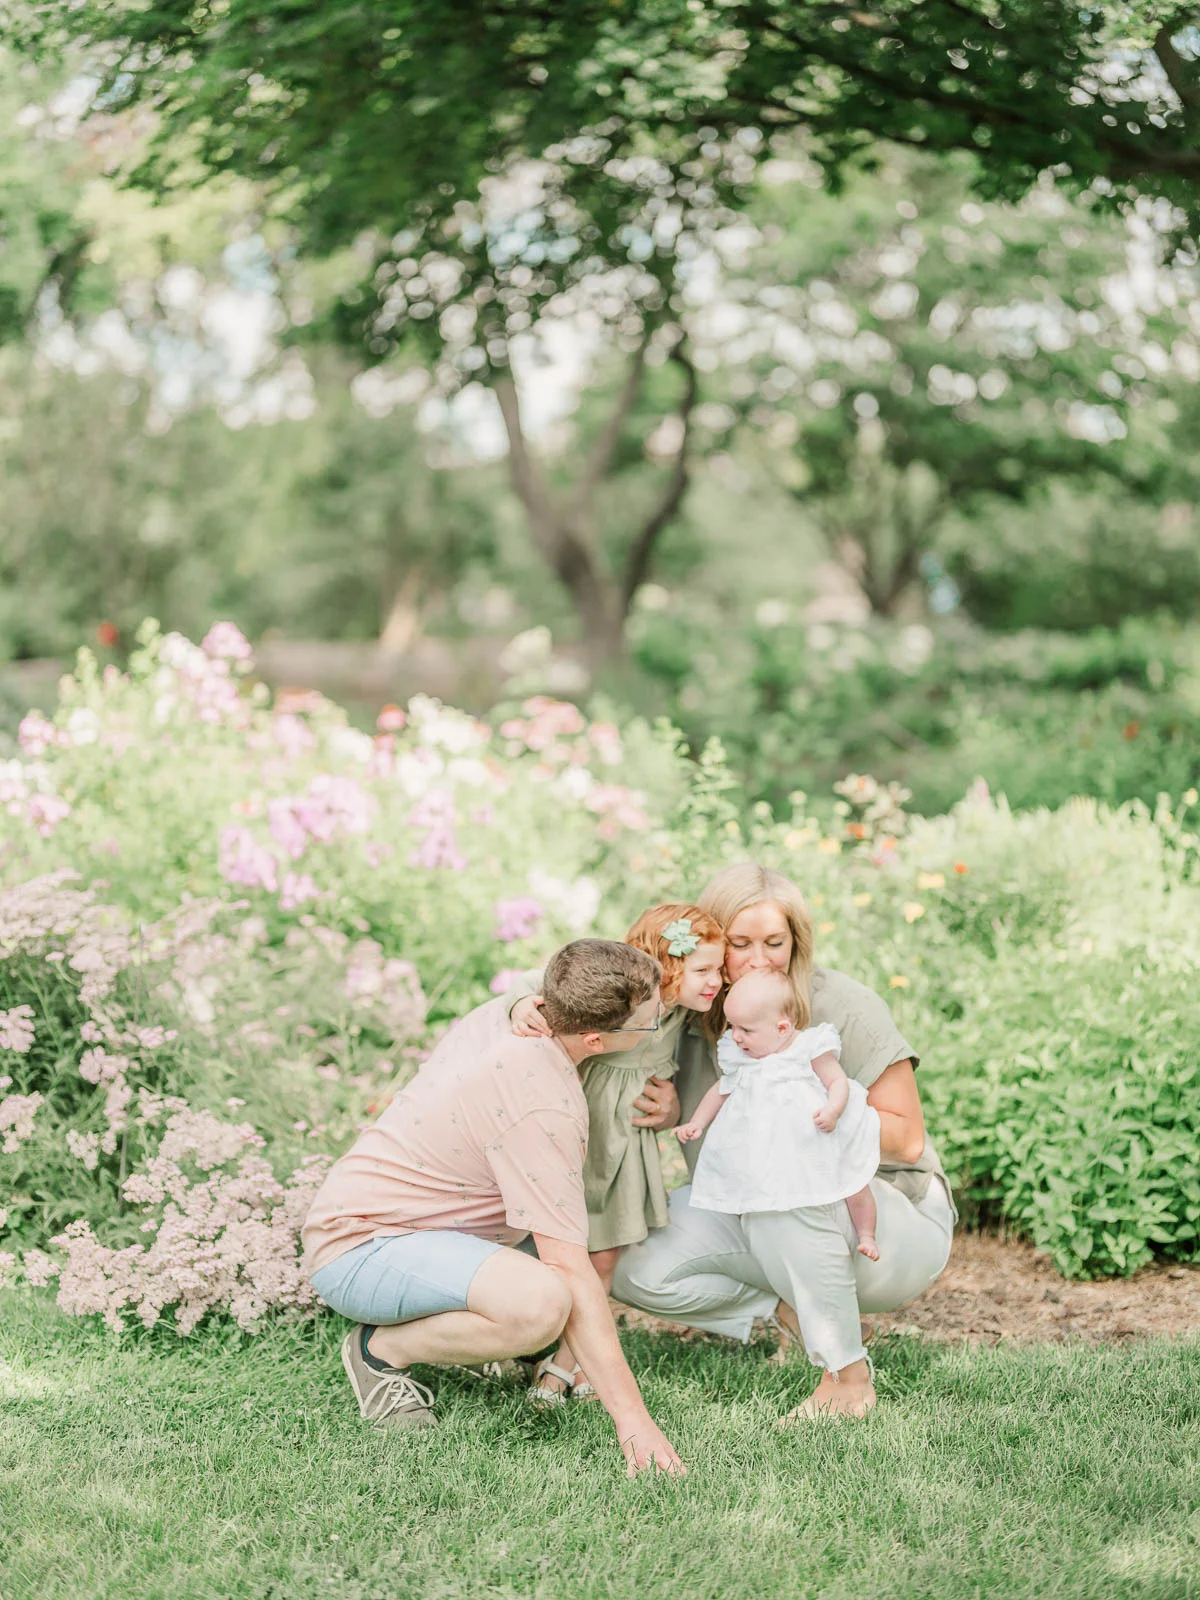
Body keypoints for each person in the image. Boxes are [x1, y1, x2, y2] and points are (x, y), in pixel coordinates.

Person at [301, 938, 684, 1476]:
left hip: (429, 1230)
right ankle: (381, 1349)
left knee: (552, 1299)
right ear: (595, 1039)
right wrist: (635, 1421)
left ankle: (483, 1336)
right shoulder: (544, 1104)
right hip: (362, 1246)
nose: (660, 1020)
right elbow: (569, 1268)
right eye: (651, 1022)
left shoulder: (519, 1012)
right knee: (542, 1305)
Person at [612, 862, 955, 1423]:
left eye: (775, 942)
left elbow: (910, 1140)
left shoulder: (843, 1008)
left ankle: (848, 1377)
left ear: (797, 943)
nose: (758, 960)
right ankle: (796, 1313)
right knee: (631, 1257)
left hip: (888, 1218)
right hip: (763, 1213)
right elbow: (590, 996)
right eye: (739, 944)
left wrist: (812, 1118)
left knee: (787, 1184)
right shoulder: (697, 1011)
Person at [505, 904, 725, 1400]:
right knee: (555, 1247)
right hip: (585, 1128)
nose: (717, 980)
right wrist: (521, 1002)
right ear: (669, 968)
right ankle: (537, 1346)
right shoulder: (627, 997)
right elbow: (529, 978)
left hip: (626, 1143)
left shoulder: (689, 1013)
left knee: (604, 1256)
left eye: (718, 968)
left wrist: (670, 1106)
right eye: (704, 969)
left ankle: (566, 1364)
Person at [676, 970, 881, 1275]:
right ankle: (766, 1250)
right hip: (771, 1147)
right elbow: (720, 1090)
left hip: (816, 1134)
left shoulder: (808, 1047)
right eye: (732, 1027)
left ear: (782, 1027)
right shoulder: (741, 1056)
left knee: (851, 1180)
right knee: (756, 1189)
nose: (736, 1036)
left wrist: (833, 1111)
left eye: (745, 1029)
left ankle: (866, 1234)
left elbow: (838, 1082)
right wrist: (697, 1123)